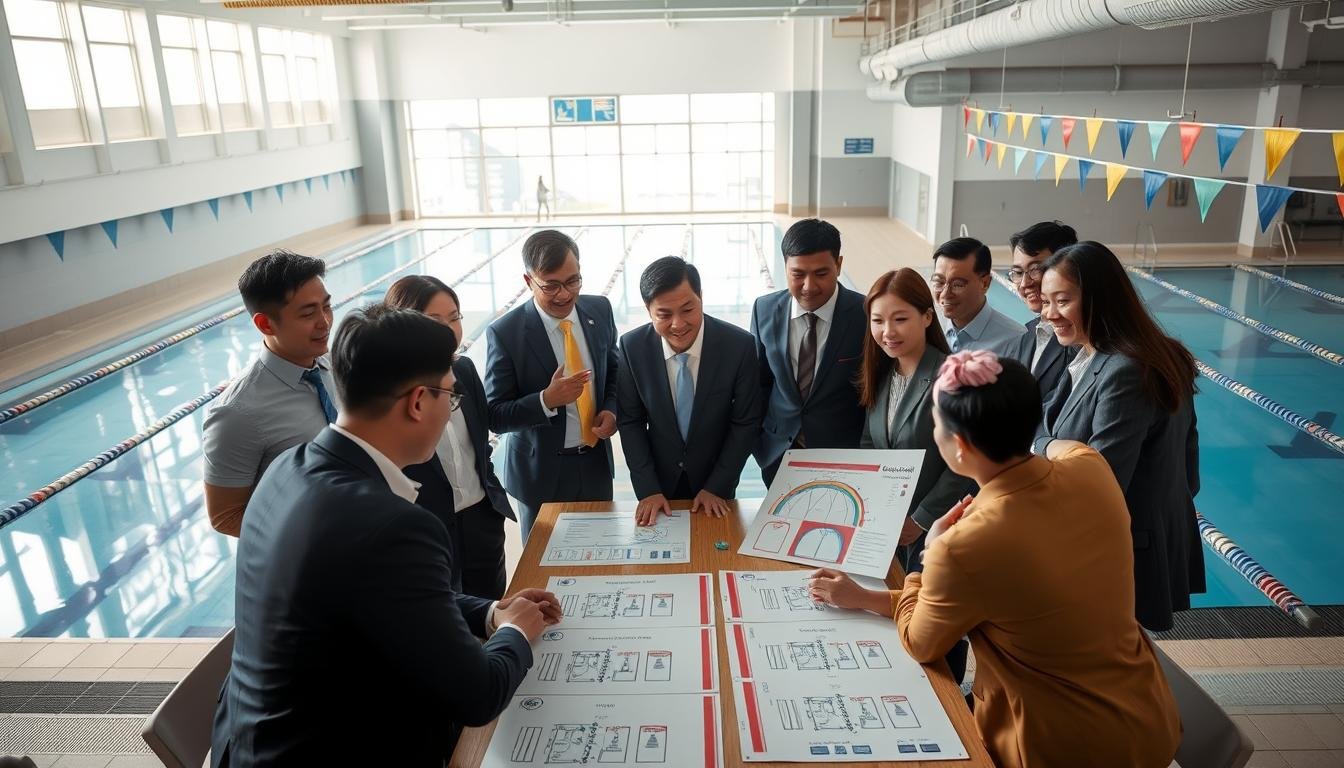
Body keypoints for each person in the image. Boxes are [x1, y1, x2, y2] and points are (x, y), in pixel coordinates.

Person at [212, 304, 561, 767]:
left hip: (251, 743)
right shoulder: (392, 526)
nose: (451, 410)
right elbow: (477, 695)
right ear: (418, 402)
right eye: (450, 398)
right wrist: (519, 631)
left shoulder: (288, 468)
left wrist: (494, 614)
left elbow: (382, 593)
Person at [809, 351, 1181, 768]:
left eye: (936, 425)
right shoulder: (1089, 466)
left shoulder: (964, 545)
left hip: (1054, 746)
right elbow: (994, 601)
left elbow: (922, 641)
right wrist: (864, 597)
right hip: (1147, 721)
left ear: (961, 447)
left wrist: (929, 558)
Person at [1032, 241, 1203, 632]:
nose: (1050, 314)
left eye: (1062, 300)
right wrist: (1051, 444)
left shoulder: (1124, 370)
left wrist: (1044, 445)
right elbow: (1189, 468)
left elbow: (1099, 480)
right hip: (1138, 536)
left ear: (1100, 298)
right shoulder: (1101, 354)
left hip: (1120, 549)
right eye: (1045, 301)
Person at [384, 275, 515, 599]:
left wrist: (489, 506)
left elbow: (481, 444)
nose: (449, 329)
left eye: (454, 317)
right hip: (427, 528)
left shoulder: (466, 370)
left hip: (480, 521)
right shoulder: (387, 394)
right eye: (435, 320)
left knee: (491, 611)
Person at [485, 230, 619, 540]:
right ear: (528, 280)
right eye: (551, 285)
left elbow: (614, 370)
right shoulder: (507, 333)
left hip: (596, 464)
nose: (564, 294)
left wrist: (612, 410)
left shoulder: (599, 310)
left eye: (573, 281)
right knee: (541, 571)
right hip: (541, 475)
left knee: (601, 556)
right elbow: (495, 414)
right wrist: (546, 400)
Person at [617, 257, 763, 526]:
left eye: (687, 309)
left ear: (701, 298)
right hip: (658, 484)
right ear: (648, 310)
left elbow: (745, 422)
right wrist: (647, 488)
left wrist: (718, 485)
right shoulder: (631, 348)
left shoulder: (738, 346)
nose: (677, 324)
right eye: (664, 315)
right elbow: (630, 422)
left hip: (715, 482)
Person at [202, 250, 336, 536]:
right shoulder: (237, 413)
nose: (324, 322)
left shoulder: (337, 366)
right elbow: (225, 516)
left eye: (326, 307)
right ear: (265, 324)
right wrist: (314, 537)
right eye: (308, 313)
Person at [857, 268, 971, 570]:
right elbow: (870, 445)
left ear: (927, 317)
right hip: (888, 527)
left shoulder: (951, 375)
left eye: (900, 319)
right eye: (878, 321)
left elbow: (965, 461)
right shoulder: (882, 375)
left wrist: (921, 519)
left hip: (937, 529)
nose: (888, 332)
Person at [750, 218, 866, 486]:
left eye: (821, 273)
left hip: (842, 457)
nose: (809, 286)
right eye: (798, 274)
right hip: (778, 456)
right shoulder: (764, 310)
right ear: (785, 267)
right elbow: (758, 383)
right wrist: (760, 443)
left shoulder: (864, 314)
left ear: (838, 265)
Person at [999, 221, 1079, 400]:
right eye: (1018, 272)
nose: (1025, 283)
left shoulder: (1082, 338)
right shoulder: (1026, 338)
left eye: (1036, 269)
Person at [931, 237, 1024, 353]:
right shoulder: (929, 331)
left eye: (958, 284)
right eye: (939, 282)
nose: (945, 294)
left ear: (984, 283)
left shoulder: (1017, 341)